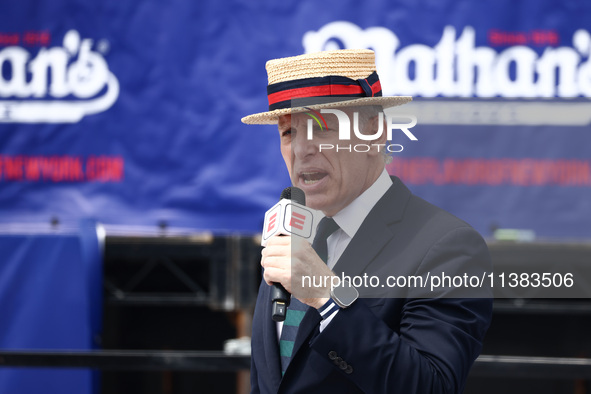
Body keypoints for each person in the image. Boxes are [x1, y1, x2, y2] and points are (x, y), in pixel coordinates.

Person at [242, 49, 492, 394]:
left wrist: (328, 296)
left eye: (321, 126)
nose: (301, 149)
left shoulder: (447, 246)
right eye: (288, 133)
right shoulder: (289, 232)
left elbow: (432, 386)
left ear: (374, 132)